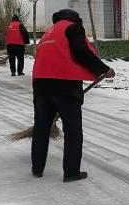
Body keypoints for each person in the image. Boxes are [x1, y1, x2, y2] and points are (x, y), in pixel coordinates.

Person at [31, 9, 115, 182]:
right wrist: (104, 69)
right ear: (76, 20)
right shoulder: (73, 28)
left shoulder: (48, 33)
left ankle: (37, 168)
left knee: (41, 128)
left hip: (41, 84)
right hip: (65, 84)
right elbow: (81, 51)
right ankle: (71, 172)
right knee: (72, 130)